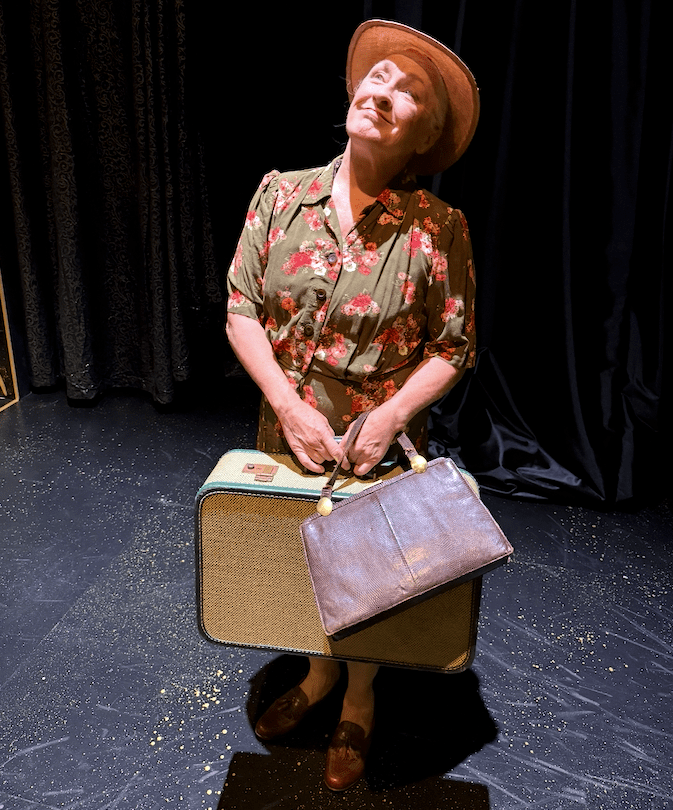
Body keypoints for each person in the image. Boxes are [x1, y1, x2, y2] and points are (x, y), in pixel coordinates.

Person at [225, 19, 479, 792]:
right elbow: (240, 308)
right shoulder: (279, 193)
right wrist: (287, 406)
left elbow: (453, 346)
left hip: (375, 443)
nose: (384, 92)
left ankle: (359, 697)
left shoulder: (438, 228)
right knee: (302, 565)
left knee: (369, 579)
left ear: (421, 135)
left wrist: (391, 416)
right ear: (353, 89)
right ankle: (315, 674)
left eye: (408, 93)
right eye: (379, 78)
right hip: (287, 431)